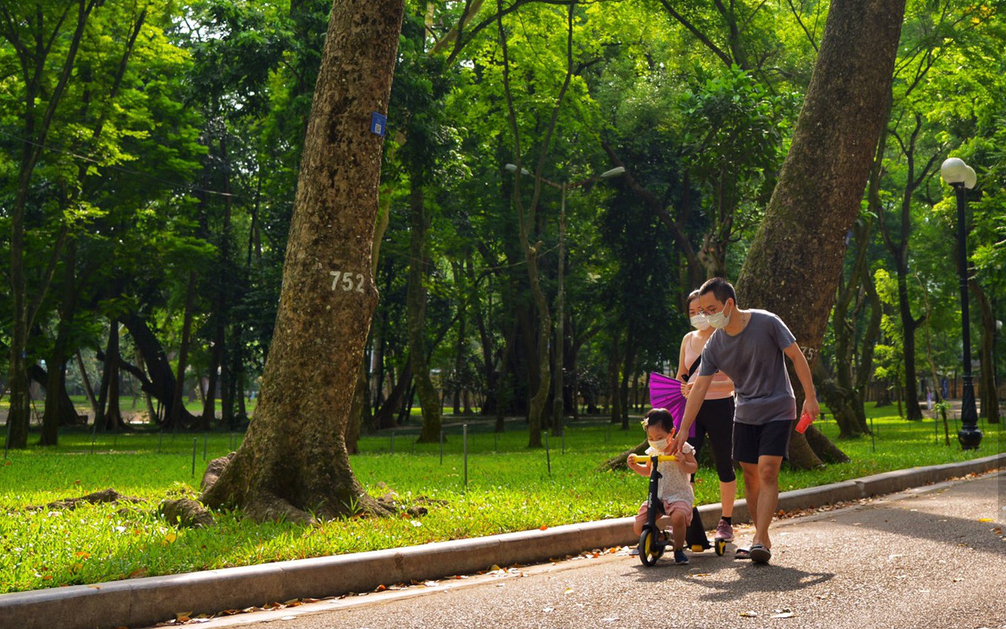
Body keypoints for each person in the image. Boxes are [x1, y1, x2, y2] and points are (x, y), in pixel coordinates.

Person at [671, 277, 819, 565]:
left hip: (778, 408)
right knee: (750, 475)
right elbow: (699, 386)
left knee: (766, 471)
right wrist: (685, 426)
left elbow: (796, 357)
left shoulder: (767, 322)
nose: (706, 315)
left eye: (711, 308)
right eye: (702, 310)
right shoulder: (715, 344)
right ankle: (760, 534)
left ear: (729, 304)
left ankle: (760, 538)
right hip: (745, 412)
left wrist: (810, 397)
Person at [678, 290, 737, 545]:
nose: (697, 316)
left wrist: (713, 386)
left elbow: (737, 378)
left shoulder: (724, 337)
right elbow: (682, 373)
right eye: (691, 312)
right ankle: (684, 516)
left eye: (700, 311)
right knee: (684, 464)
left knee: (725, 463)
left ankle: (726, 521)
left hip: (722, 406)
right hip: (693, 410)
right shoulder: (688, 339)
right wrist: (683, 386)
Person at [627, 408, 699, 565]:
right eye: (651, 437)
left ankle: (678, 550)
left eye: (659, 437)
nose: (655, 440)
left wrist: (683, 462)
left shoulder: (682, 447)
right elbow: (647, 471)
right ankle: (659, 538)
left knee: (678, 517)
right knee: (639, 525)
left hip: (679, 494)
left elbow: (693, 467)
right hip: (658, 496)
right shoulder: (652, 451)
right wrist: (634, 466)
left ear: (671, 432)